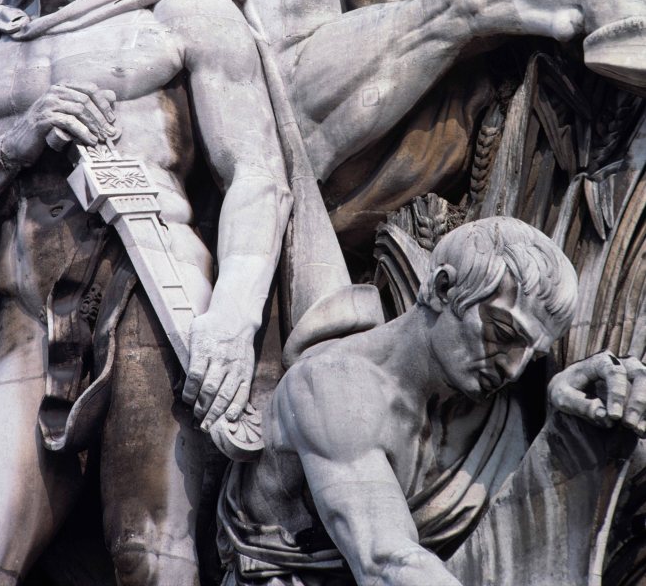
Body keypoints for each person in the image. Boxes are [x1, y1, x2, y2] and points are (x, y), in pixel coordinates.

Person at [0, 0, 293, 586]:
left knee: (151, 555)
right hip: (23, 320)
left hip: (156, 299)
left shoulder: (184, 11)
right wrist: (15, 145)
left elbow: (257, 174)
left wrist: (234, 317)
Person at [218, 216, 646, 586]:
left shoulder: (501, 409)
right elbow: (384, 561)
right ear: (443, 288)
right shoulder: (333, 387)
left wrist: (577, 412)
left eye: (531, 356)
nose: (514, 369)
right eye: (502, 333)